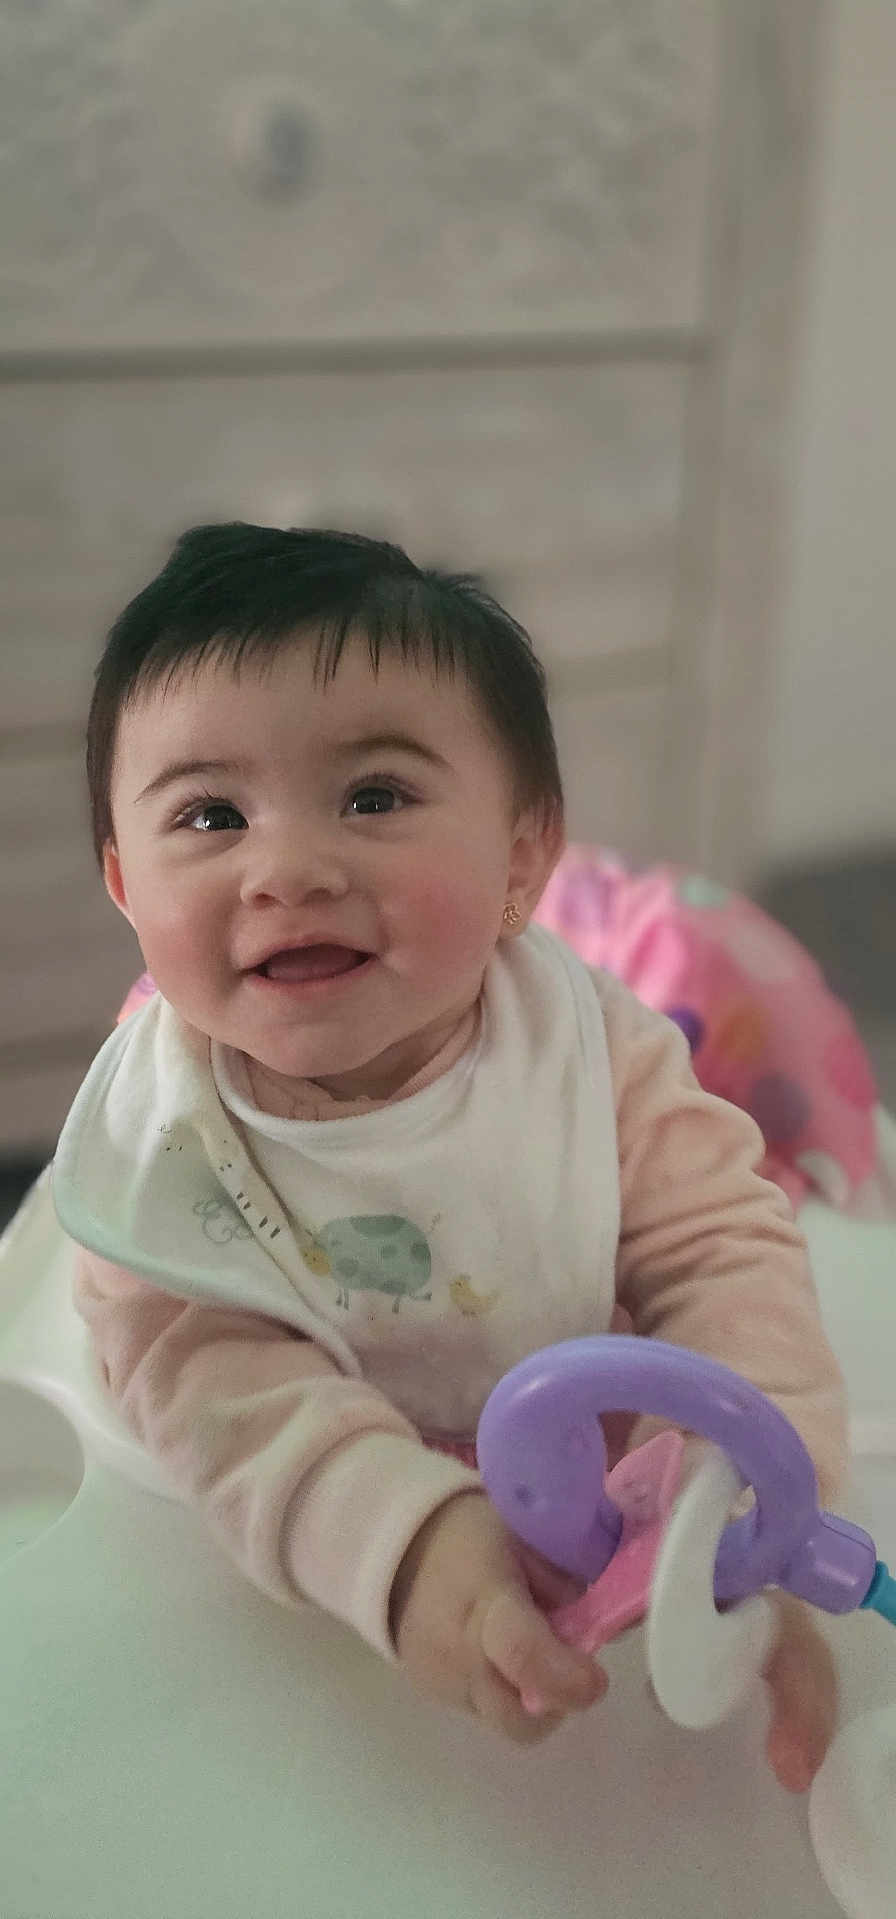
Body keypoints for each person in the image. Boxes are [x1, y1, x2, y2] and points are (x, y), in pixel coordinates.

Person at [52, 522, 846, 1793]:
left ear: (521, 857)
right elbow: (225, 1397)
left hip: (605, 1457)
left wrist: (746, 1484)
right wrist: (411, 1547)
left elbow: (719, 1248)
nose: (288, 870)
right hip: (326, 1621)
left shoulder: (585, 1053)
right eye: (210, 814)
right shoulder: (166, 1156)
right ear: (123, 884)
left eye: (373, 796)